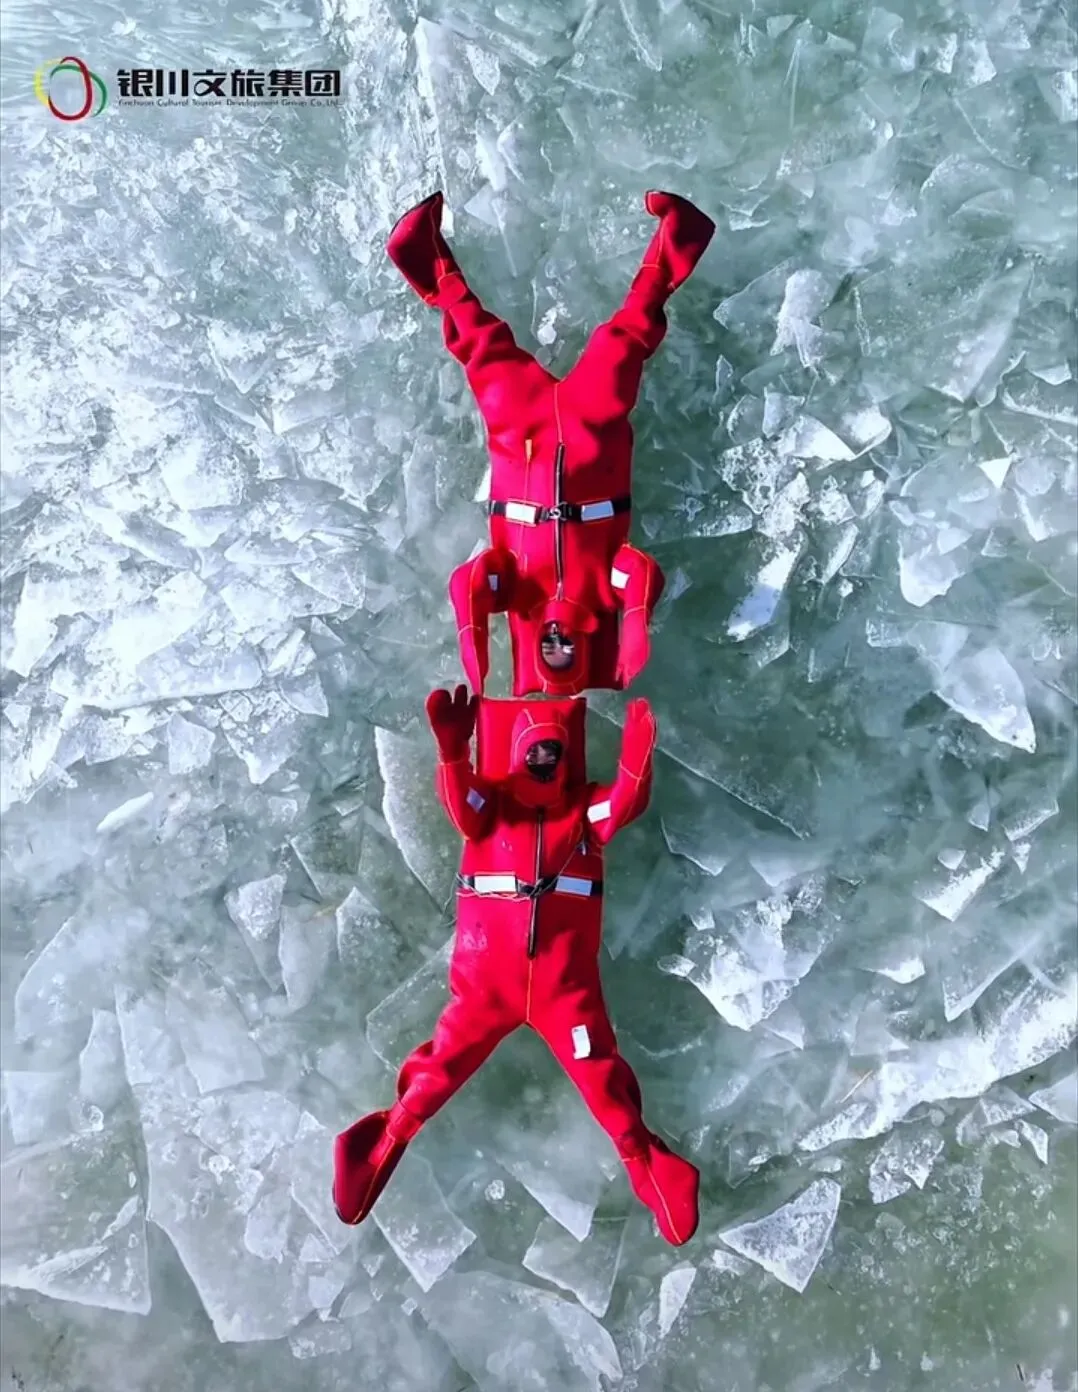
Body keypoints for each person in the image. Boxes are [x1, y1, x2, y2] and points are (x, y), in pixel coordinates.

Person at [333, 686, 700, 1247]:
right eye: (535, 751)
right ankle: (378, 1148)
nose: (544, 760)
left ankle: (649, 1168)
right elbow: (461, 803)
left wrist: (634, 766)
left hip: (564, 992)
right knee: (438, 1073)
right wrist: (453, 751)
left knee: (602, 1083)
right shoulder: (492, 807)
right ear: (519, 752)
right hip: (486, 987)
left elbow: (618, 807)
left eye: (553, 751)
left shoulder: (582, 813)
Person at [387, 189, 715, 695]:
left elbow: (470, 581)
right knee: (622, 342)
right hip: (593, 429)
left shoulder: (513, 592)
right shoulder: (606, 591)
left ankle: (428, 263)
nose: (558, 643)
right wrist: (633, 624)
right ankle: (678, 238)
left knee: (483, 347)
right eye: (568, 653)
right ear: (585, 646)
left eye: (550, 651)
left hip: (519, 433)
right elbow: (638, 572)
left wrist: (474, 636)